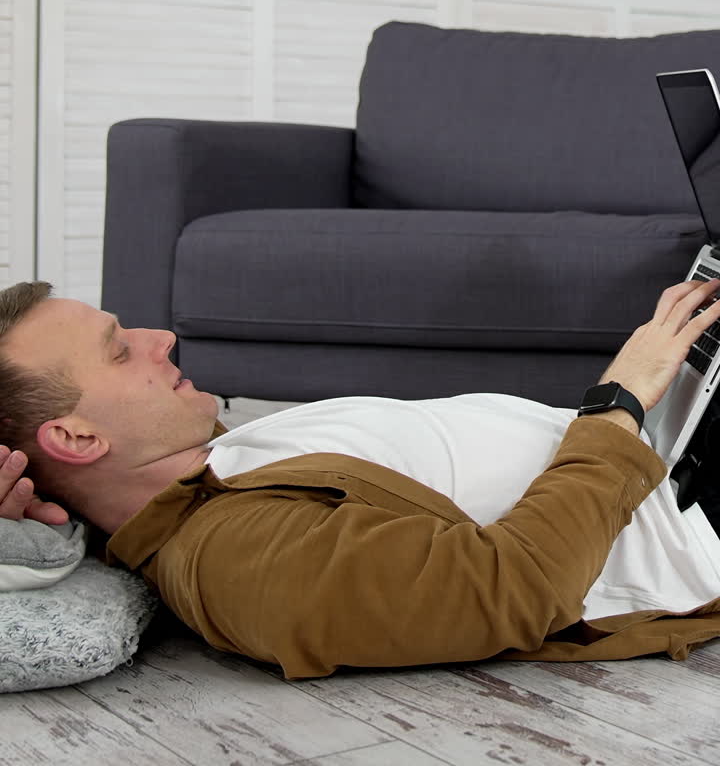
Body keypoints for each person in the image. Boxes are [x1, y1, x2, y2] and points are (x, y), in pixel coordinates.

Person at [2, 277, 720, 679]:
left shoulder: (201, 471)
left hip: (659, 451)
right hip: (689, 524)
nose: (159, 339)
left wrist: (50, 513)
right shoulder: (236, 560)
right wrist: (620, 401)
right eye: (119, 352)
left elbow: (108, 498)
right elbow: (514, 589)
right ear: (76, 437)